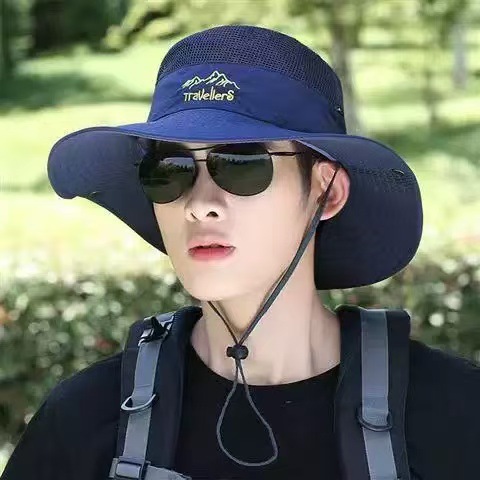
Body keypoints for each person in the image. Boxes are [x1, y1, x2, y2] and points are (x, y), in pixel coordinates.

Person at [2, 24, 480, 480]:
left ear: (327, 191)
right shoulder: (83, 424)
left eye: (241, 164)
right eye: (170, 169)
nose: (200, 205)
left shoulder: (455, 418)